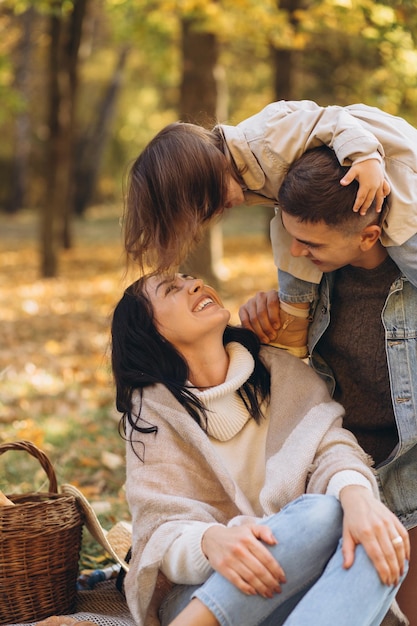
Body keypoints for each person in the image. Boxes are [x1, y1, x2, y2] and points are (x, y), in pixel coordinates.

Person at [111, 272, 409, 626]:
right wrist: (210, 542)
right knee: (329, 515)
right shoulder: (152, 413)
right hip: (203, 592)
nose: (195, 285)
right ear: (148, 332)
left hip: (300, 588)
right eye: (171, 289)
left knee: (376, 534)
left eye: (190, 279)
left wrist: (359, 499)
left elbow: (333, 450)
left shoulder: (280, 375)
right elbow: (158, 530)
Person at [239, 146, 417, 624]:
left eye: (310, 245)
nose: (296, 253)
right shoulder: (311, 283)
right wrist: (265, 313)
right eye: (291, 237)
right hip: (331, 470)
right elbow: (292, 376)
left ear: (369, 236)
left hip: (410, 477)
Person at [122, 100, 417, 358]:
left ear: (208, 171)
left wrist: (364, 157)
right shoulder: (247, 172)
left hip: (390, 167)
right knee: (287, 235)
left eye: (211, 203)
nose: (218, 212)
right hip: (357, 169)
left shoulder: (266, 140)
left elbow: (334, 120)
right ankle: (295, 319)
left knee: (406, 246)